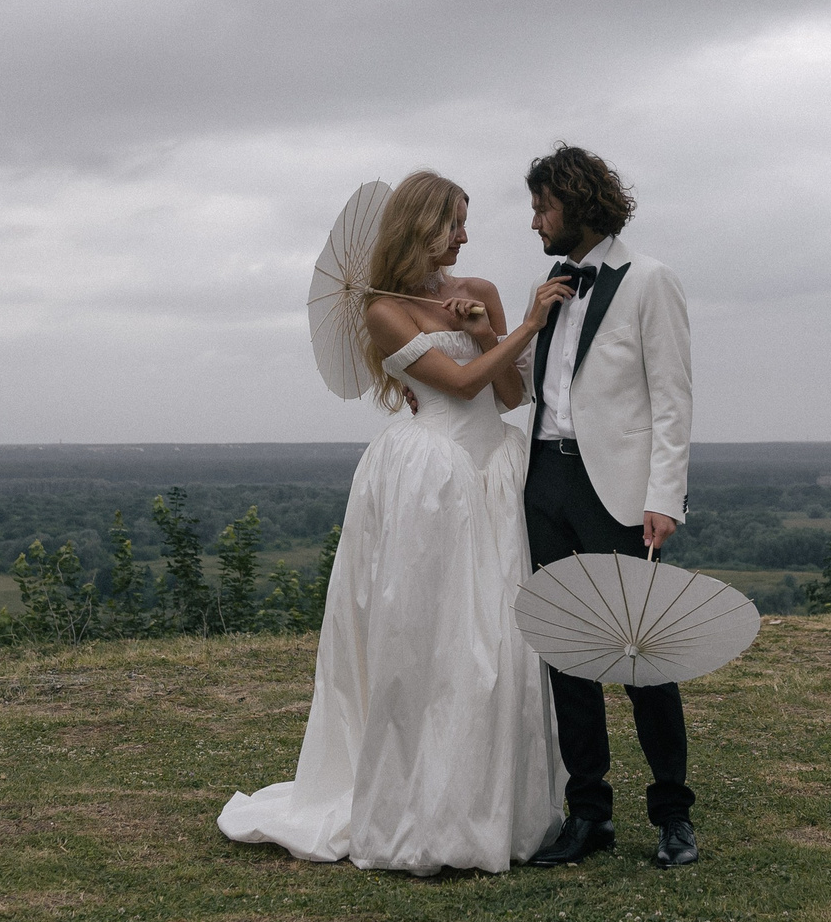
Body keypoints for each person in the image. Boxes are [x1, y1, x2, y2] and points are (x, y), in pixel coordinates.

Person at [218, 170, 573, 874]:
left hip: (492, 473)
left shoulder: (482, 292)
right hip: (428, 476)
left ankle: (494, 800)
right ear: (422, 224)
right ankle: (418, 796)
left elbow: (507, 391)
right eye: (455, 222)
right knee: (426, 635)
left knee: (499, 639)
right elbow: (459, 383)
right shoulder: (383, 311)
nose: (465, 237)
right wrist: (527, 325)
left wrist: (489, 326)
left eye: (466, 223)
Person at [519, 144, 699, 868]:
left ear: (577, 202)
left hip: (620, 493)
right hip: (546, 482)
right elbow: (538, 391)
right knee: (567, 652)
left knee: (642, 653)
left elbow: (673, 399)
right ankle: (589, 813)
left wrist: (665, 497)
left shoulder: (650, 280)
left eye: (542, 206)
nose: (534, 220)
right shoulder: (550, 285)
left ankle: (673, 815)